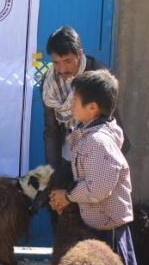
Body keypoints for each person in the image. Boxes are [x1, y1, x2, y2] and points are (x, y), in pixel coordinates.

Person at [46, 69, 139, 265]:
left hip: (109, 228)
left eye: (76, 98)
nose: (71, 102)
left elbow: (99, 187)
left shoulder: (98, 141)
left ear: (93, 108)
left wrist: (69, 196)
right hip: (98, 223)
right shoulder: (90, 131)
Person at [41, 25, 128, 172]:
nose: (61, 69)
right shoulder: (49, 83)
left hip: (100, 151)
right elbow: (51, 129)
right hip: (68, 150)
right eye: (56, 62)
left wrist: (109, 165)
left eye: (67, 61)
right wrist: (53, 173)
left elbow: (110, 123)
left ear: (79, 54)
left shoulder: (98, 76)